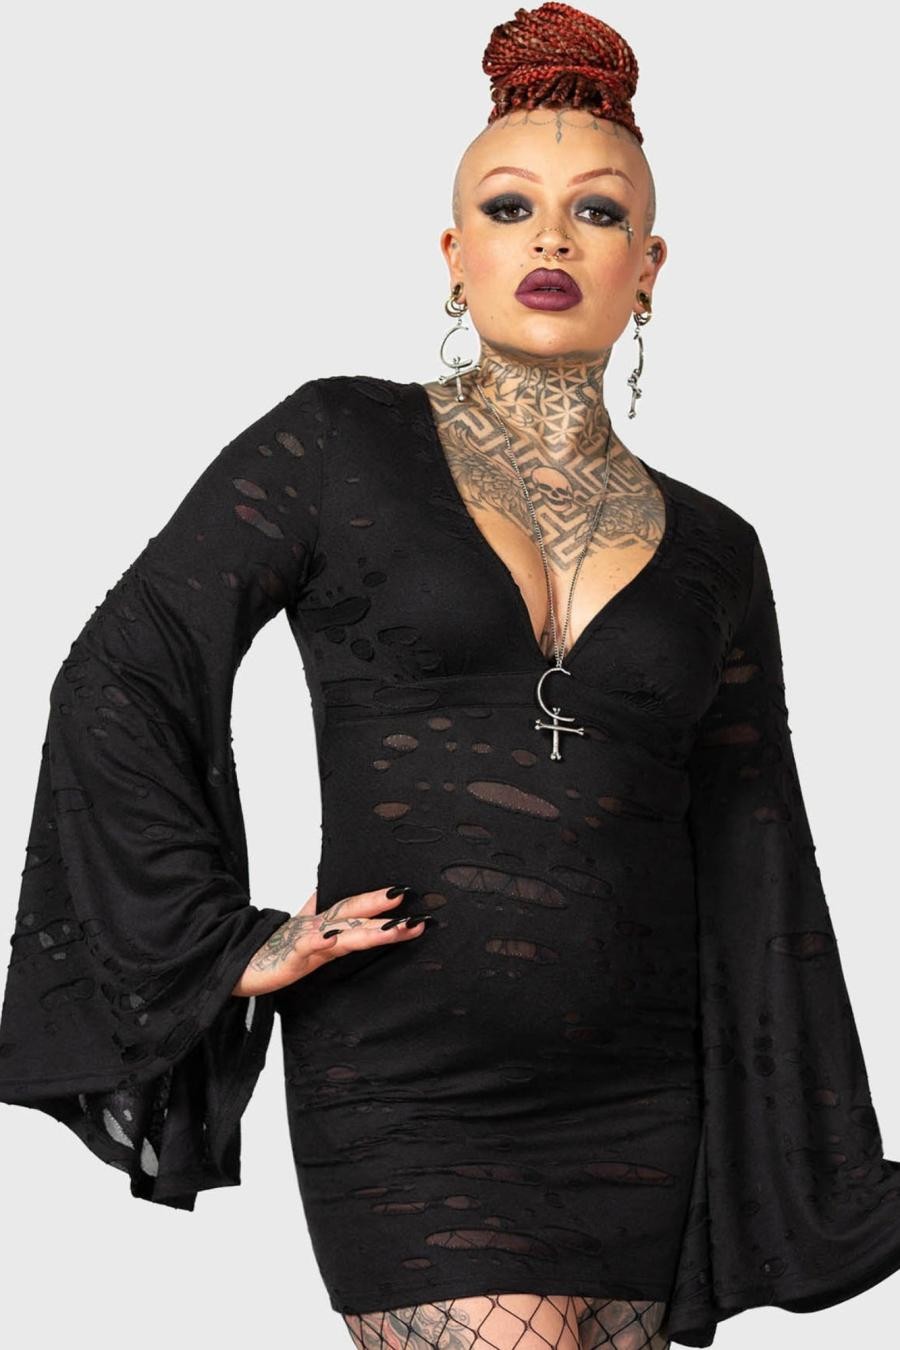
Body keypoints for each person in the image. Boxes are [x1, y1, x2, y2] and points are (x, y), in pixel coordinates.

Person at [1, 4, 898, 1347]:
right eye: (510, 206)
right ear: (454, 253)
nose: (552, 240)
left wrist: (790, 1142)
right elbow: (124, 670)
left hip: (645, 1096)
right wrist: (224, 941)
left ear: (649, 265)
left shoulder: (718, 547)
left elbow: (759, 850)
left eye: (597, 212)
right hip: (413, 1084)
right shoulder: (335, 444)